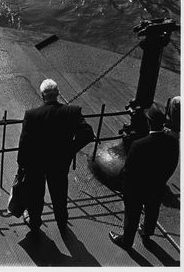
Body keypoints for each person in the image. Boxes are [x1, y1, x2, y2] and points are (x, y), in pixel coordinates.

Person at [17, 79, 94, 233]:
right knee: (59, 194)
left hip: (36, 163)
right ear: (58, 94)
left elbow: (24, 144)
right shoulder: (72, 111)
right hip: (59, 162)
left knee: (36, 195)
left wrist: (22, 165)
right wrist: (70, 149)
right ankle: (62, 221)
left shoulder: (32, 115)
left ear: (42, 96)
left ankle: (35, 222)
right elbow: (88, 133)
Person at [109, 103, 179, 250]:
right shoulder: (172, 142)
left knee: (132, 214)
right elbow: (173, 163)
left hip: (137, 188)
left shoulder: (138, 145)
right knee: (152, 210)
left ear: (149, 122)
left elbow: (129, 171)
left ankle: (127, 241)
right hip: (157, 186)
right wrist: (161, 181)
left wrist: (126, 189)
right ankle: (147, 233)